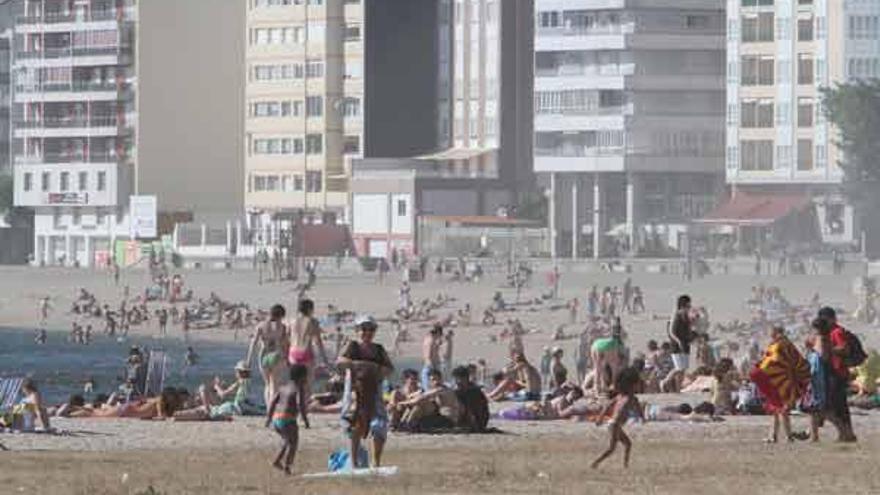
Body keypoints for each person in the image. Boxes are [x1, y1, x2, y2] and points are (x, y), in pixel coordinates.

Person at [337, 316, 394, 468]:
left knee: (379, 426)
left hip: (374, 393)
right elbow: (340, 361)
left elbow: (389, 369)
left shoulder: (379, 350)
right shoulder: (352, 346)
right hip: (355, 393)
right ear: (357, 330)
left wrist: (377, 370)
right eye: (364, 329)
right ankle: (354, 463)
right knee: (355, 425)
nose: (367, 332)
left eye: (371, 329)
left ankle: (376, 463)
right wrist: (360, 365)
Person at [750, 326, 810, 443]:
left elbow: (774, 362)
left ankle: (787, 436)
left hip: (779, 381)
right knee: (777, 410)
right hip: (779, 380)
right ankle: (774, 435)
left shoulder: (780, 345)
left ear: (777, 333)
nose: (770, 335)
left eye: (772, 333)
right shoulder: (782, 344)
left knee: (781, 409)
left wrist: (762, 367)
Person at [591, 368, 643, 469]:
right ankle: (595, 463)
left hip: (613, 424)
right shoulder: (631, 397)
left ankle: (625, 465)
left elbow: (607, 406)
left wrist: (600, 418)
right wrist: (642, 417)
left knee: (628, 444)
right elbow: (638, 407)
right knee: (611, 448)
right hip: (614, 424)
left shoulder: (620, 396)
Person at [819, 306, 858, 442]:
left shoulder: (836, 332)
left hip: (837, 372)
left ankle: (846, 433)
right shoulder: (833, 331)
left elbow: (844, 348)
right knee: (840, 405)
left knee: (835, 405)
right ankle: (847, 433)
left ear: (829, 319)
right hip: (837, 372)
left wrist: (829, 349)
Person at [266, 364, 310, 475]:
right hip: (288, 419)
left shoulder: (282, 388)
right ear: (301, 377)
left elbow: (272, 402)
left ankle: (277, 461)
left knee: (287, 441)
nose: (307, 379)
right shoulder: (298, 388)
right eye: (306, 376)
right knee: (293, 444)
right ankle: (287, 467)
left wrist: (268, 418)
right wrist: (305, 420)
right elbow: (301, 405)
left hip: (277, 419)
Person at [246, 304, 290, 408]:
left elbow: (253, 343)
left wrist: (248, 360)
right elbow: (285, 345)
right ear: (281, 316)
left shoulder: (261, 326)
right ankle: (273, 410)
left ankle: (268, 408)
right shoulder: (282, 327)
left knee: (267, 384)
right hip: (276, 356)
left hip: (263, 355)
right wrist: (287, 358)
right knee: (274, 384)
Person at [288, 299, 331, 401]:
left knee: (295, 384)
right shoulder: (313, 322)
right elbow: (318, 342)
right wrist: (325, 360)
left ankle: (295, 407)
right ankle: (304, 408)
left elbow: (287, 339)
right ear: (310, 309)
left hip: (293, 353)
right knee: (308, 385)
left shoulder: (292, 321)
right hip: (306, 353)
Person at [397, 369, 462, 431]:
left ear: (441, 379)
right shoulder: (434, 389)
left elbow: (420, 398)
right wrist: (411, 397)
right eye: (433, 380)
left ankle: (406, 424)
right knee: (419, 406)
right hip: (439, 416)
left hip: (448, 419)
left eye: (437, 379)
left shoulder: (442, 389)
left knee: (419, 405)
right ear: (429, 381)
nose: (436, 382)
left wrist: (402, 403)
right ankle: (404, 423)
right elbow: (421, 395)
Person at [452, 366, 489, 432]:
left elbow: (478, 411)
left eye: (458, 379)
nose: (457, 382)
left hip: (476, 422)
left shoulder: (474, 391)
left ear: (465, 378)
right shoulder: (462, 389)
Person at [669, 295, 695, 377]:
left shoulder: (687, 316)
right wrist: (678, 341)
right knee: (679, 369)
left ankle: (677, 385)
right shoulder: (676, 315)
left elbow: (689, 329)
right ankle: (667, 382)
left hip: (685, 344)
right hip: (676, 345)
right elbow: (671, 331)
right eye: (688, 306)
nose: (689, 308)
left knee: (684, 368)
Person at [421, 324, 444, 391]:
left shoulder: (428, 338)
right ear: (438, 333)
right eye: (440, 335)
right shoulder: (431, 341)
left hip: (431, 366)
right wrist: (433, 370)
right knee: (430, 389)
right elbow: (428, 356)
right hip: (431, 367)